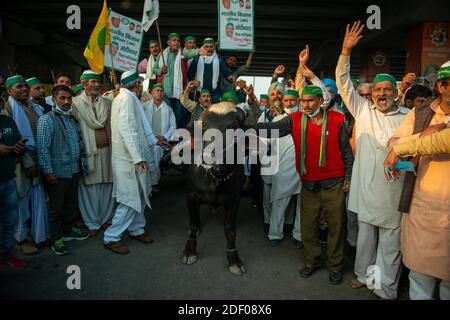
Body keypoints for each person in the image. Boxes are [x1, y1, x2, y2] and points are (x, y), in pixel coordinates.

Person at [336, 21, 409, 299]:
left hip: (393, 191)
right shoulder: (362, 111)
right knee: (366, 240)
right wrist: (345, 51)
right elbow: (343, 83)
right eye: (378, 90)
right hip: (366, 191)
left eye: (387, 90)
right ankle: (364, 276)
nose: (381, 94)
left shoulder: (407, 117)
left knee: (390, 243)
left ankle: (385, 287)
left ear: (395, 93)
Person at [256, 85, 353, 284]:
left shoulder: (337, 119)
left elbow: (346, 152)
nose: (306, 105)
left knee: (336, 227)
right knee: (308, 227)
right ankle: (312, 261)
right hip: (309, 183)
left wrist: (349, 176)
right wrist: (245, 126)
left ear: (320, 101)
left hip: (334, 183)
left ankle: (335, 266)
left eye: (310, 100)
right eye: (303, 101)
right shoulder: (294, 120)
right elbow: (271, 130)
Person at [384, 61, 450, 300]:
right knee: (420, 276)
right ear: (442, 86)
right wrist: (423, 133)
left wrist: (418, 141)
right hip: (421, 206)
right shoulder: (421, 113)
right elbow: (393, 143)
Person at [104, 71, 159, 254]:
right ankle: (111, 237)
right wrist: (138, 158)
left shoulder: (129, 98)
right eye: (140, 83)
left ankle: (137, 229)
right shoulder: (126, 99)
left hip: (134, 156)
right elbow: (127, 130)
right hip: (129, 160)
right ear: (135, 84)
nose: (141, 87)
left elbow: (140, 128)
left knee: (142, 194)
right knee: (129, 199)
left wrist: (154, 141)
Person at [37, 85, 89, 256]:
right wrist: (48, 172)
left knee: (70, 204)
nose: (67, 102)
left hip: (74, 169)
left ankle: (67, 231)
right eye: (62, 98)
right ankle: (56, 238)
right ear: (54, 100)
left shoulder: (71, 118)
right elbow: (43, 148)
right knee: (56, 208)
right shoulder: (47, 119)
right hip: (58, 172)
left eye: (69, 98)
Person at [4, 75, 48, 255]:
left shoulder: (35, 107)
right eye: (18, 86)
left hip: (39, 159)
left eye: (24, 86)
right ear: (9, 91)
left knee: (38, 198)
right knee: (21, 202)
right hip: (19, 163)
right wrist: (28, 163)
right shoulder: (8, 109)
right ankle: (21, 238)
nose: (23, 89)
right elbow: (14, 140)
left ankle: (37, 234)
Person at [72, 70, 114, 237]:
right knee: (90, 188)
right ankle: (92, 222)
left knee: (107, 186)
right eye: (93, 82)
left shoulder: (107, 103)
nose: (97, 84)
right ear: (84, 84)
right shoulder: (75, 103)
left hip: (107, 152)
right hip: (89, 153)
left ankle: (105, 219)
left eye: (98, 82)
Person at [0, 114, 27, 268]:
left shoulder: (7, 121)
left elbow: (18, 147)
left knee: (9, 222)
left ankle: (5, 254)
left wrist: (19, 148)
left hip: (8, 179)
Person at [154, 33, 189, 128]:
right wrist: (161, 70)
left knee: (178, 114)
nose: (176, 42)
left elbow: (192, 53)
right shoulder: (162, 54)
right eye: (174, 40)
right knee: (167, 113)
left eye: (178, 41)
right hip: (166, 90)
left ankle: (175, 135)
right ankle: (167, 135)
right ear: (168, 42)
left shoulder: (183, 53)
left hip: (179, 90)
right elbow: (155, 69)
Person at [144, 83, 176, 192]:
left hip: (161, 142)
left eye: (161, 91)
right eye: (157, 90)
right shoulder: (144, 106)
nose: (159, 92)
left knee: (157, 163)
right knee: (147, 162)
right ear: (152, 93)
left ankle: (155, 184)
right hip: (147, 140)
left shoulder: (168, 109)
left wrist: (165, 136)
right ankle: (146, 185)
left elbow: (173, 126)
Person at [188, 38, 234, 104]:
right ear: (203, 47)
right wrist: (193, 82)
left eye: (211, 46)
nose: (209, 49)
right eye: (207, 47)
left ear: (214, 47)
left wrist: (229, 76)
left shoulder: (218, 58)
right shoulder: (197, 58)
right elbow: (190, 73)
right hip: (200, 92)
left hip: (215, 93)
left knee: (215, 112)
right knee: (200, 113)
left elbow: (225, 71)